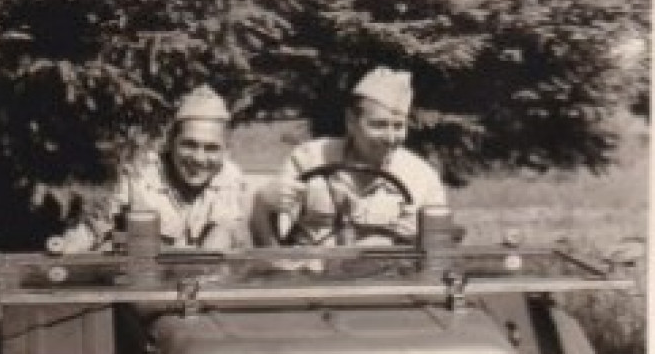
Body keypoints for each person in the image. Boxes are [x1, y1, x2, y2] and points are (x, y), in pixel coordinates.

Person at [251, 67, 447, 247]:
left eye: (398, 126)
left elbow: (436, 254)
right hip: (310, 278)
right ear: (351, 122)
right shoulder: (308, 159)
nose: (390, 137)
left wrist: (413, 239)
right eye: (378, 125)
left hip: (384, 279)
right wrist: (262, 204)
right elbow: (268, 249)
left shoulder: (422, 177)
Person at [56, 85, 252, 253]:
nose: (199, 159)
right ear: (169, 143)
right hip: (146, 284)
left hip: (204, 283)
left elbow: (221, 238)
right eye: (189, 145)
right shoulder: (139, 177)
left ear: (226, 151)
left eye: (211, 148)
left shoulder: (230, 177)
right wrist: (65, 247)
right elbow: (94, 229)